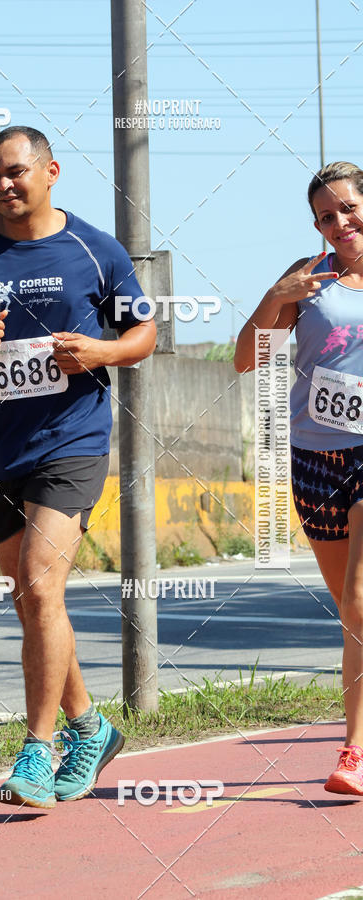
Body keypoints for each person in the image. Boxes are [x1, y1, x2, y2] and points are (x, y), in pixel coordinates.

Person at [0, 125, 156, 808]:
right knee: (30, 601)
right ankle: (91, 726)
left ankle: (37, 752)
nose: (4, 184)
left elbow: (145, 332)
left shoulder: (93, 250)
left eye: (15, 171)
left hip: (72, 441)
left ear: (50, 171)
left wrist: (101, 354)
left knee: (43, 590)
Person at [234, 160, 363, 795]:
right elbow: (244, 358)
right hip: (313, 457)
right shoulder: (308, 278)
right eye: (324, 217)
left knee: (362, 603)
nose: (338, 224)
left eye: (347, 209)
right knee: (352, 613)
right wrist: (276, 298)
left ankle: (353, 753)